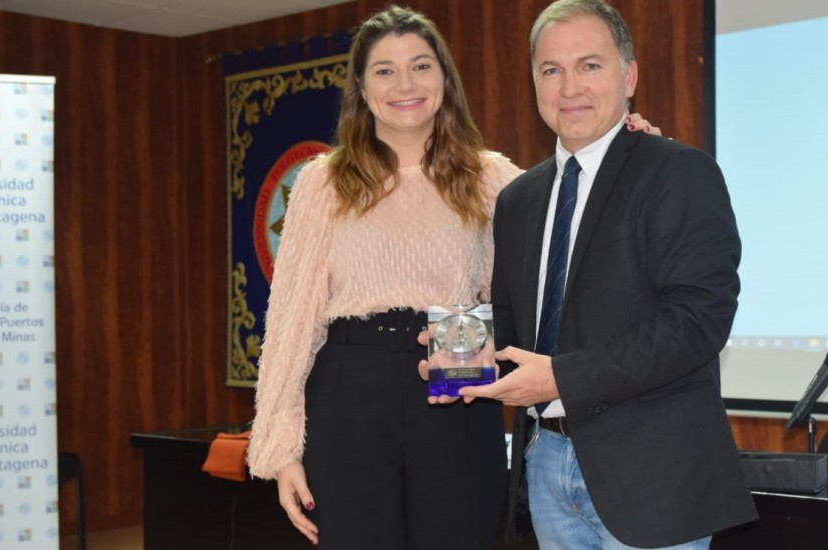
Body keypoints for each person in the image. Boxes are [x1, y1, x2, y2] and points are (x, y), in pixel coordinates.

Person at [247, 5, 657, 548]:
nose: (405, 85)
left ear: (445, 79)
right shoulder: (323, 184)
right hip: (348, 397)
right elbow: (291, 322)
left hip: (457, 388)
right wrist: (280, 451)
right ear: (362, 89)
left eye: (420, 66)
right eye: (384, 71)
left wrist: (630, 143)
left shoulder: (496, 179)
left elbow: (578, 223)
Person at [460, 0, 759, 548]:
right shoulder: (518, 200)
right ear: (534, 83)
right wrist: (468, 349)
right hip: (545, 466)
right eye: (551, 69)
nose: (569, 86)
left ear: (630, 75)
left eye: (590, 65)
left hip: (654, 479)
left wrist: (561, 379)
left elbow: (698, 322)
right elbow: (513, 323)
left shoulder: (680, 173)